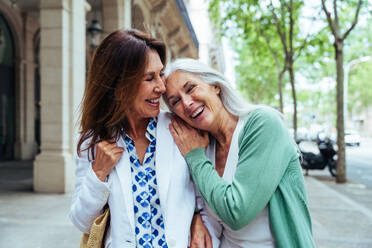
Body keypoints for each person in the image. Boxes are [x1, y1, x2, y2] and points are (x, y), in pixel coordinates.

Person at [69, 30, 211, 248]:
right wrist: (98, 174)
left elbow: (203, 188)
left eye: (160, 74)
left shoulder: (180, 127)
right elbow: (81, 221)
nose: (161, 87)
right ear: (119, 84)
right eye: (149, 78)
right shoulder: (93, 141)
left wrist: (199, 217)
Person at [164, 58, 316, 247]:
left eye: (191, 88)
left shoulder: (262, 124)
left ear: (215, 86)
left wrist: (195, 158)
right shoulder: (202, 145)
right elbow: (207, 208)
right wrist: (196, 219)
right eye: (175, 101)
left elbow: (236, 213)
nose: (186, 103)